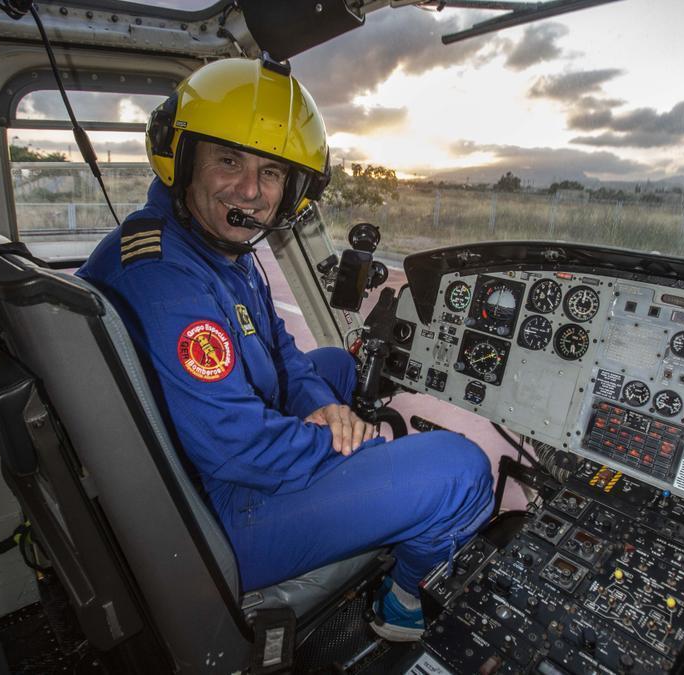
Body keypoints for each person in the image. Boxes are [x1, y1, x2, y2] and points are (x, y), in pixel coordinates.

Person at [77, 56, 493, 642]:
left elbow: (281, 353)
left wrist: (324, 408)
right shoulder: (165, 282)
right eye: (228, 160)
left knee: (336, 366)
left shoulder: (219, 250)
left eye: (271, 172)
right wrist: (368, 441)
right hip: (204, 514)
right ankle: (400, 602)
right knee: (461, 468)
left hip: (196, 459)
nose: (250, 189)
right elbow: (238, 448)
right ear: (183, 157)